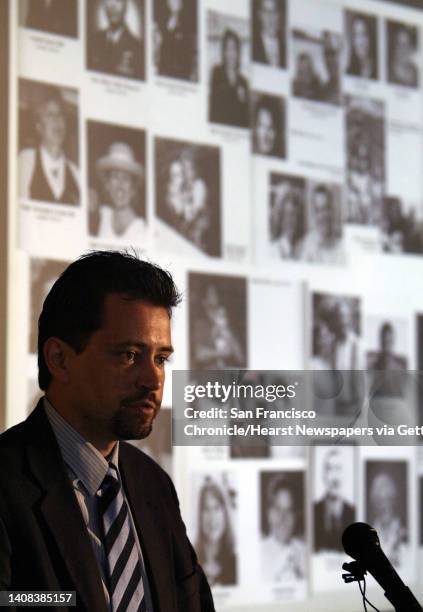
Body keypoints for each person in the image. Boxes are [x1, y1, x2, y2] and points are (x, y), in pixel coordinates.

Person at [0, 251, 215, 611]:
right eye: (129, 354)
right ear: (60, 359)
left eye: (161, 358)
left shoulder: (154, 485)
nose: (153, 379)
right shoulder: (7, 483)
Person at [19, 88, 80, 205]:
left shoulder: (75, 172)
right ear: (39, 126)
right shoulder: (26, 159)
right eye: (50, 115)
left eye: (60, 115)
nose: (57, 120)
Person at [93, 142, 146, 241]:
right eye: (115, 177)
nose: (120, 185)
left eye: (126, 178)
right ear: (107, 184)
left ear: (133, 189)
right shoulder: (103, 216)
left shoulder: (141, 230)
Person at [261, 475, 306, 582]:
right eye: (278, 509)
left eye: (289, 510)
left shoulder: (304, 552)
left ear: (295, 516)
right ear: (269, 513)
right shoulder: (258, 554)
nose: (283, 518)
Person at [87, 0, 144, 80]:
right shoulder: (92, 41)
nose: (113, 6)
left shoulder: (138, 48)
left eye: (118, 1)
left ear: (126, 6)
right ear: (104, 5)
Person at [195, 478, 236, 586]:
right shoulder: (191, 561)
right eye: (207, 509)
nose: (212, 517)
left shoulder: (235, 564)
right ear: (200, 516)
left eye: (216, 508)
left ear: (225, 514)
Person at [314, 449, 355, 552]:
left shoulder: (354, 513)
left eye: (338, 469)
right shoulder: (313, 511)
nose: (334, 477)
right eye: (330, 469)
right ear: (323, 476)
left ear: (344, 475)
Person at [209, 28, 249, 128]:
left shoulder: (244, 82)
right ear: (224, 52)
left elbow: (245, 118)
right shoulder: (216, 72)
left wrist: (243, 100)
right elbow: (214, 107)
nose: (231, 53)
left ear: (238, 52)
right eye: (228, 48)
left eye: (234, 48)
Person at [299, 184, 346, 265]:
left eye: (326, 209)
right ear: (314, 214)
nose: (322, 216)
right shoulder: (308, 244)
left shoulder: (342, 243)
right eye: (318, 210)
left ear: (332, 210)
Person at [368, 470, 407, 567]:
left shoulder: (405, 530)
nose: (384, 507)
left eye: (388, 499)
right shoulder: (370, 532)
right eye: (380, 501)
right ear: (374, 503)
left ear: (394, 500)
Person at [154, 0, 197, 81]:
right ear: (167, 3)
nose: (174, 2)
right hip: (165, 70)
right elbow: (159, 46)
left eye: (177, 1)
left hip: (183, 72)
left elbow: (190, 49)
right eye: (171, 1)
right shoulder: (161, 21)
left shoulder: (188, 23)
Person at [367, 322, 407, 398]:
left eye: (388, 343)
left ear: (393, 342)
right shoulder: (373, 368)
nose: (386, 348)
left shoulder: (400, 369)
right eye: (384, 343)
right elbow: (370, 395)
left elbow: (402, 397)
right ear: (380, 342)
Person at [269, 185, 303, 259]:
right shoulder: (272, 250)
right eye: (287, 215)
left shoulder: (302, 249)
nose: (290, 220)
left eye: (294, 214)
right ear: (281, 218)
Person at [252, 0, 285, 68]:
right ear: (259, 15)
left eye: (274, 11)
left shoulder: (284, 46)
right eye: (266, 11)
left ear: (279, 15)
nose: (270, 17)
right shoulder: (253, 45)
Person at [346, 14, 378, 79]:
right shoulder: (349, 72)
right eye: (356, 35)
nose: (360, 42)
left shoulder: (379, 69)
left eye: (364, 34)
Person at [388, 23, 418, 87]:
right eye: (400, 45)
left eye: (407, 45)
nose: (403, 50)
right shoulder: (389, 76)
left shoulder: (417, 74)